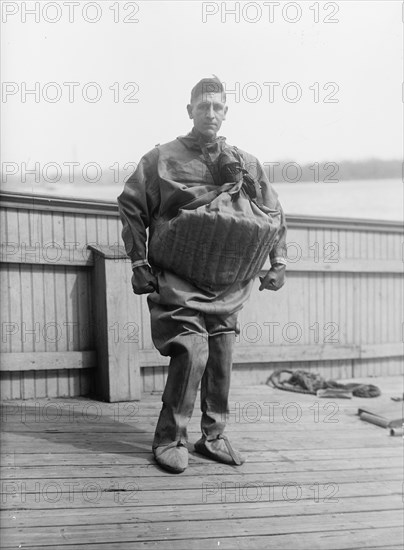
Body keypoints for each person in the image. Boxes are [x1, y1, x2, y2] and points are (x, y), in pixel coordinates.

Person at [117, 76, 287, 474]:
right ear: (189, 110)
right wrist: (139, 263)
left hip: (229, 278)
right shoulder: (160, 158)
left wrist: (278, 263)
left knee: (222, 355)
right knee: (192, 352)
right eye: (203, 106)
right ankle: (169, 438)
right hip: (177, 277)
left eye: (217, 107)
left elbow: (274, 214)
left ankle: (213, 435)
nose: (210, 113)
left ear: (226, 112)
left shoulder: (247, 162)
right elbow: (131, 206)